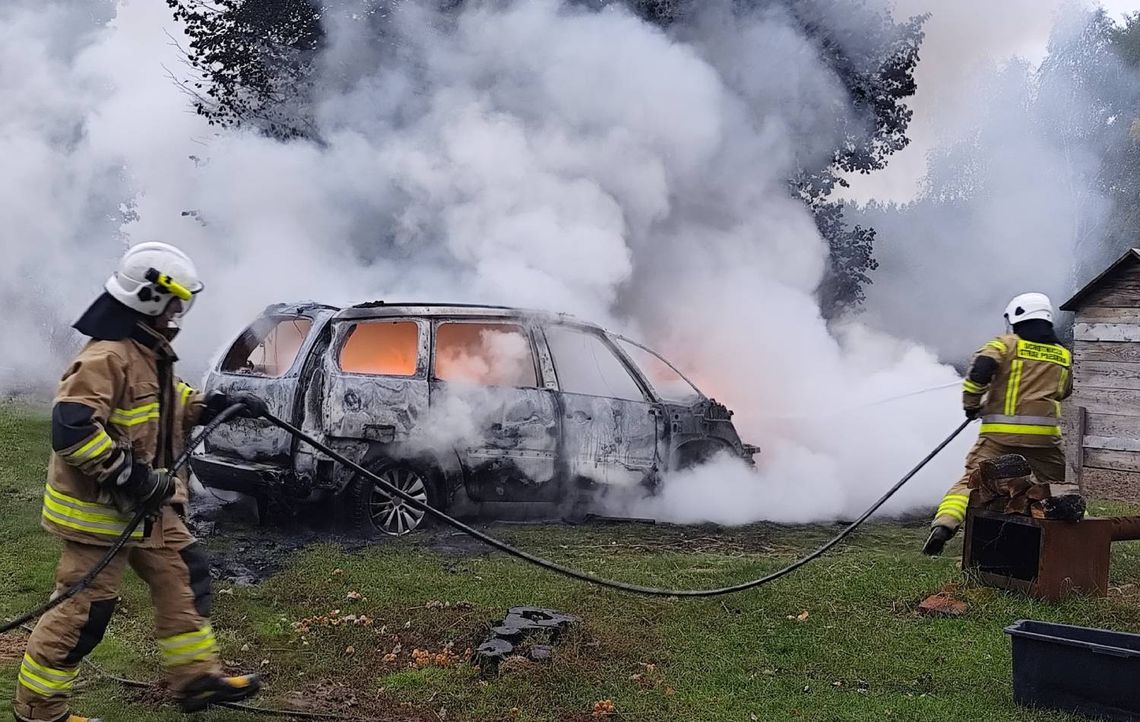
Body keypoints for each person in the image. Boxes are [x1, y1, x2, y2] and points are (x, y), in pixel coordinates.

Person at [14, 242, 268, 722]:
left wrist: (215, 405)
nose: (179, 312)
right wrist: (130, 477)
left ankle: (195, 679)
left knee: (184, 576)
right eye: (175, 302)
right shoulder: (106, 356)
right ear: (151, 297)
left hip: (150, 508)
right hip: (101, 515)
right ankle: (40, 710)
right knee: (82, 616)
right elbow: (72, 430)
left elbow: (170, 402)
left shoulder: (147, 350)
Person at [923, 292, 1073, 556]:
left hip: (999, 437)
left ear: (1016, 317)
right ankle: (1065, 544)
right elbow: (1064, 392)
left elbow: (979, 371)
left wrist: (972, 404)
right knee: (1055, 488)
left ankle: (946, 523)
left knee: (971, 482)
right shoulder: (1062, 355)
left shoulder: (1005, 345)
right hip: (1045, 441)